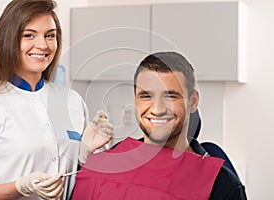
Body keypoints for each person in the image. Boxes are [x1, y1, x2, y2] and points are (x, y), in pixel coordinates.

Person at [0, 0, 113, 199]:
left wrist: (85, 155)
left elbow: (82, 180)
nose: (43, 45)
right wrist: (20, 186)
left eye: (50, 36)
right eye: (29, 35)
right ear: (9, 39)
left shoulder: (71, 101)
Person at [71, 52, 247, 199]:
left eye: (170, 96)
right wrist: (84, 161)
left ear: (193, 102)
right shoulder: (117, 158)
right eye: (146, 96)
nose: (157, 109)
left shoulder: (222, 184)